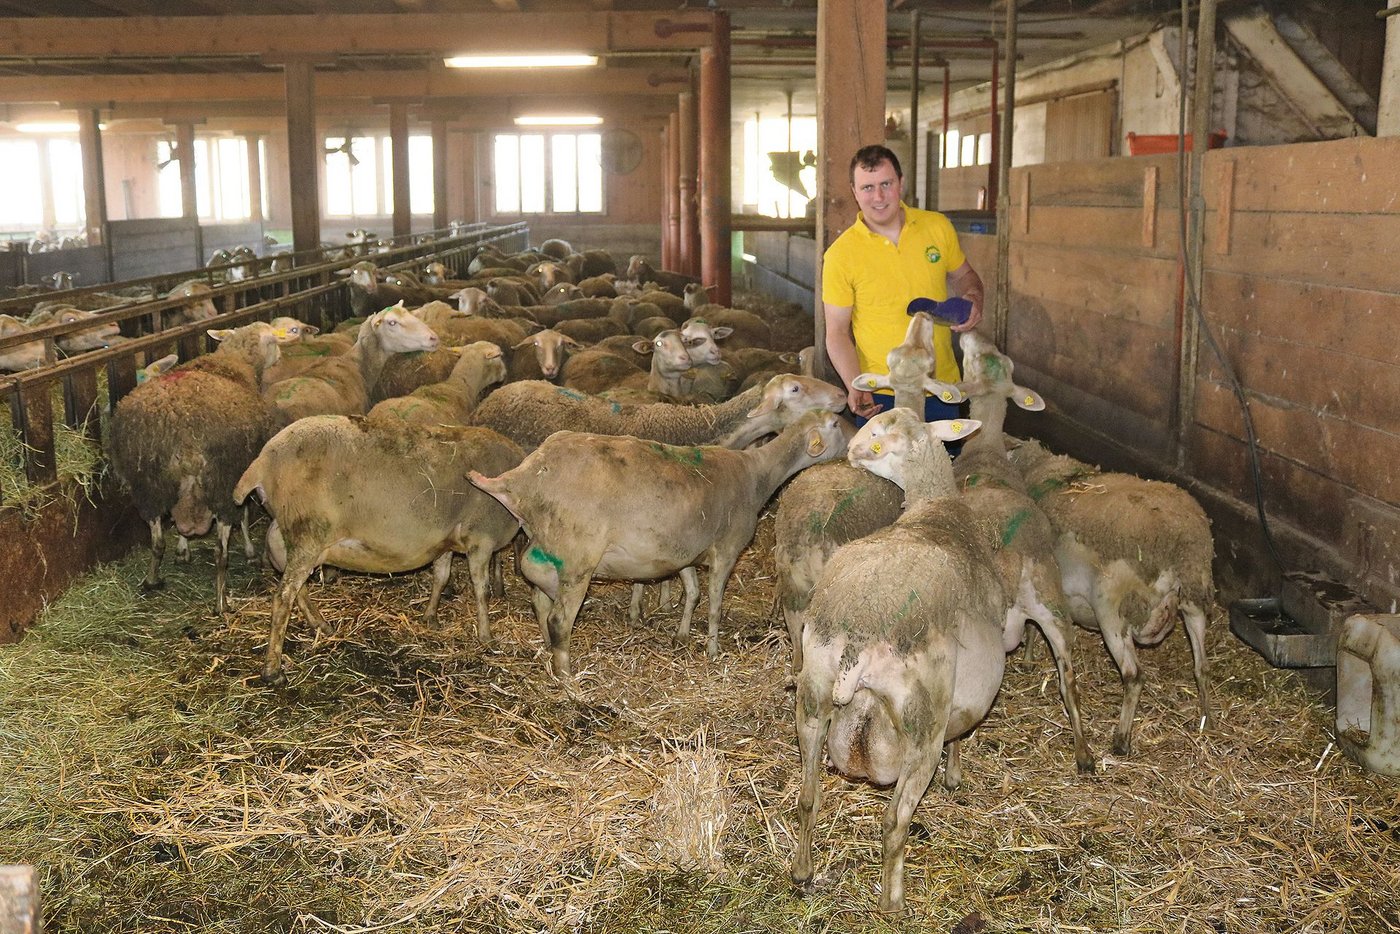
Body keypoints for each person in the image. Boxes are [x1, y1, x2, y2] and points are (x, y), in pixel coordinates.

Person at [822, 143, 985, 424]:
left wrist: (973, 297)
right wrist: (854, 383)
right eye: (868, 187)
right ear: (854, 192)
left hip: (942, 386)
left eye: (886, 183)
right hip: (882, 391)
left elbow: (964, 275)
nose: (879, 196)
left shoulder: (937, 227)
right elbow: (836, 332)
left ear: (901, 183)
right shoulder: (841, 254)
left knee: (946, 466)